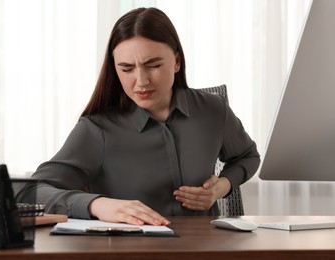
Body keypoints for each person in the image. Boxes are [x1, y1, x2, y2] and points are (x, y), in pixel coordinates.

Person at [16, 7, 260, 226]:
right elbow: (30, 193)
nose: (141, 82)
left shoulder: (213, 109)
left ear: (176, 61)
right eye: (127, 69)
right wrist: (99, 205)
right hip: (128, 252)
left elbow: (247, 156)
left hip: (206, 250)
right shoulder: (96, 129)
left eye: (153, 65)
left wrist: (222, 187)